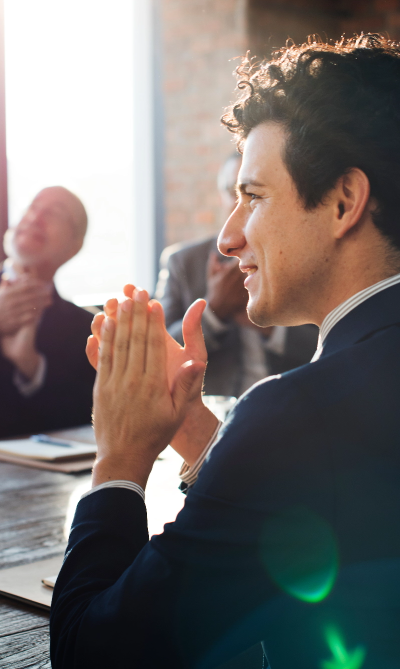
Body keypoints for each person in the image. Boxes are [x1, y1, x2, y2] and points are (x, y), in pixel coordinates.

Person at [51, 35, 400, 668]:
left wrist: (121, 458)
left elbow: (92, 653)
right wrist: (193, 429)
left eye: (254, 196)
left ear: (345, 202)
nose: (228, 235)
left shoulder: (297, 414)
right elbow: (324, 507)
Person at [156, 152, 318, 396]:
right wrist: (214, 312)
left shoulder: (295, 255)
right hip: (213, 416)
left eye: (253, 194)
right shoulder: (183, 262)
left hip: (290, 405)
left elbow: (330, 345)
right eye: (232, 192)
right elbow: (161, 354)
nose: (239, 203)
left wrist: (269, 327)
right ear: (220, 197)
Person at [0, 186, 95, 436]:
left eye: (55, 213)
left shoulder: (88, 330)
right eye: (32, 207)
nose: (35, 217)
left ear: (74, 247)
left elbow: (88, 415)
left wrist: (31, 365)